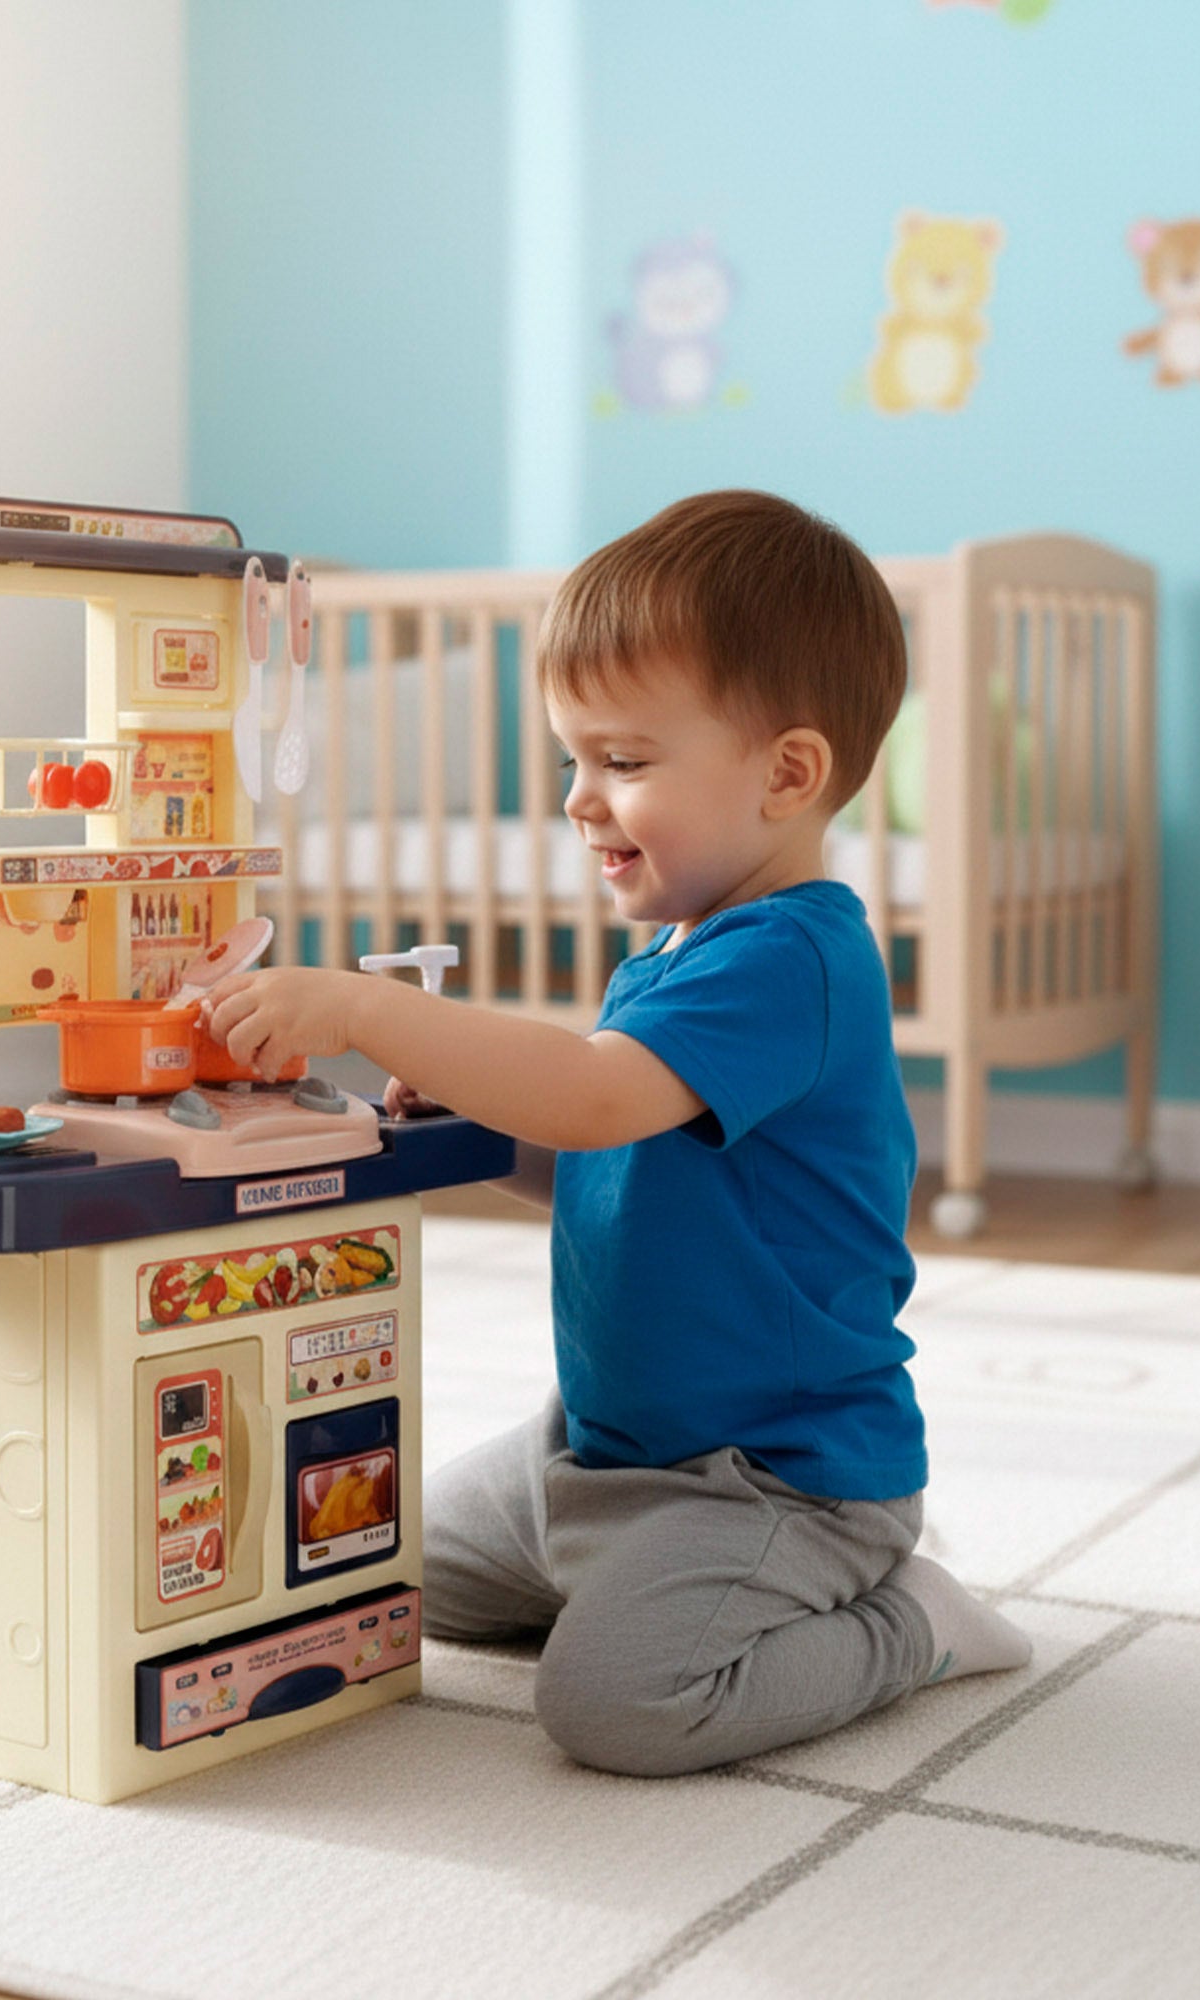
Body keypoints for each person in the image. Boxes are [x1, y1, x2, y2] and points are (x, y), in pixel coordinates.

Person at [202, 490, 1032, 1776]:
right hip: (597, 1451)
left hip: (774, 1478)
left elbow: (591, 1094)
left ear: (787, 773)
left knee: (617, 1707)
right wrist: (490, 1118)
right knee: (365, 1565)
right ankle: (633, 1576)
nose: (581, 802)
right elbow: (607, 1151)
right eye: (570, 762)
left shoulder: (791, 958)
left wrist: (374, 1012)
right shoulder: (671, 953)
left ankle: (908, 1619)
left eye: (624, 763)